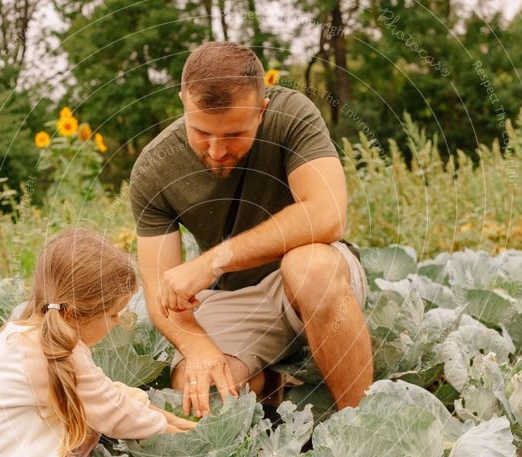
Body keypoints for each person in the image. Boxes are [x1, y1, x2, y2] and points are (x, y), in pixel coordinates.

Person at [130, 41, 373, 420]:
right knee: (202, 393)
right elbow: (163, 295)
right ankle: (274, 383)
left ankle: (363, 427)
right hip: (239, 298)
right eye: (201, 132)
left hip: (316, 275)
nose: (215, 150)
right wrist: (199, 348)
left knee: (308, 268)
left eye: (233, 135)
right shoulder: (153, 169)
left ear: (261, 110)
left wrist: (215, 261)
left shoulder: (292, 112)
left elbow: (328, 216)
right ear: (183, 101)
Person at [0, 227, 195, 457]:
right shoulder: (60, 353)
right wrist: (167, 429)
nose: (116, 324)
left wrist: (155, 411)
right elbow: (112, 411)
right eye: (113, 315)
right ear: (75, 314)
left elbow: (102, 391)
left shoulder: (24, 334)